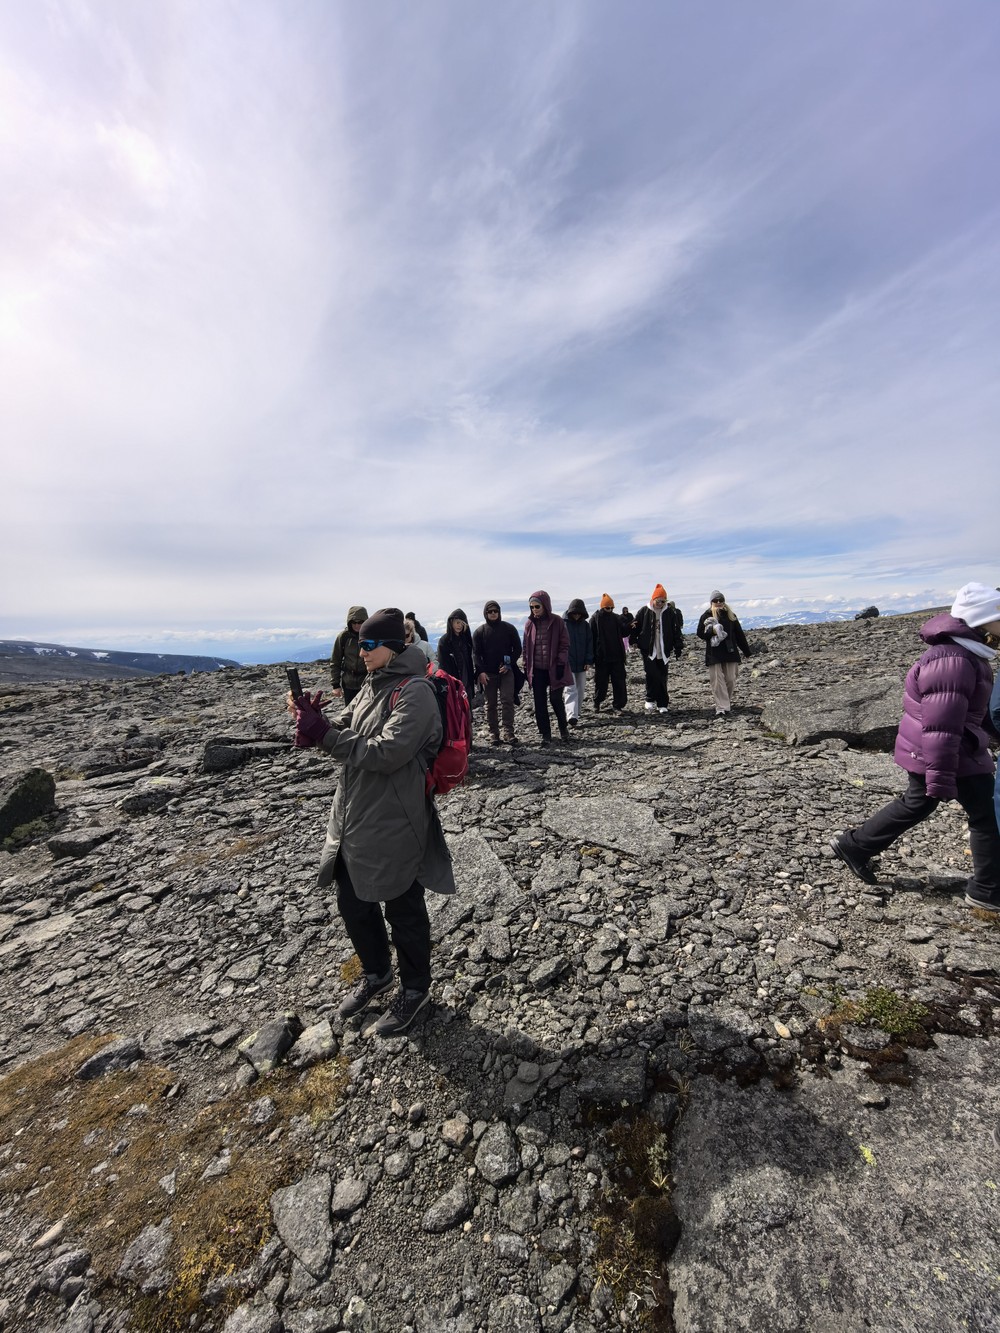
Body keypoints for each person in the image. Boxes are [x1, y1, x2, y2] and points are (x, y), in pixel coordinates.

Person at [291, 608, 456, 1035]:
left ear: (394, 647)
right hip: (355, 815)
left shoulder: (414, 692)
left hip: (396, 817)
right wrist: (316, 723)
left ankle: (415, 989)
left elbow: (384, 752)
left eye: (369, 645)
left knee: (403, 907)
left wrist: (326, 736)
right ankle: (378, 973)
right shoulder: (371, 685)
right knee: (353, 901)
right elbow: (351, 727)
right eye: (359, 644)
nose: (361, 652)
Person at [831, 582, 1000, 913]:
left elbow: (971, 714)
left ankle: (855, 845)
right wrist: (940, 775)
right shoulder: (954, 659)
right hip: (946, 752)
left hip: (951, 749)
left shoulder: (965, 653)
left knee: (919, 804)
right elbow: (940, 727)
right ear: (984, 619)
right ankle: (986, 890)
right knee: (984, 814)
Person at [523, 590, 572, 744]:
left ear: (545, 605)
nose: (534, 610)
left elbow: (565, 644)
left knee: (556, 700)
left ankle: (563, 729)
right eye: (532, 607)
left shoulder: (557, 621)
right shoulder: (529, 624)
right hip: (537, 670)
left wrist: (560, 663)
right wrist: (526, 668)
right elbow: (526, 647)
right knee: (539, 703)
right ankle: (545, 734)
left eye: (537, 606)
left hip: (555, 667)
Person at [473, 600, 522, 745]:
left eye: (496, 611)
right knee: (491, 704)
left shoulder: (509, 629)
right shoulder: (479, 632)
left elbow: (517, 649)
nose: (493, 614)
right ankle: (494, 733)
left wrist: (509, 664)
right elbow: (476, 654)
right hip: (488, 674)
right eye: (490, 611)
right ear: (485, 613)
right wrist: (480, 672)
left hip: (507, 671)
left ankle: (508, 732)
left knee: (507, 700)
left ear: (499, 612)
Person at [696, 591, 752, 718]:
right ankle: (722, 707)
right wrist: (712, 631)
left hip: (730, 651)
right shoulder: (706, 616)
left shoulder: (731, 616)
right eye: (716, 600)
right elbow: (700, 633)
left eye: (721, 600)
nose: (719, 602)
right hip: (714, 652)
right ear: (711, 602)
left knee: (731, 679)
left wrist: (746, 651)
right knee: (717, 680)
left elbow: (739, 635)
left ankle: (725, 701)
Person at [631, 584, 684, 715]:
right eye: (658, 600)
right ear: (653, 599)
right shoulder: (644, 611)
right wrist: (634, 640)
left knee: (662, 675)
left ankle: (662, 703)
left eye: (663, 601)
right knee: (651, 674)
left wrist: (678, 646)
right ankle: (650, 699)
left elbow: (675, 629)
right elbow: (635, 627)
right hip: (648, 650)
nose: (660, 603)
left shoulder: (669, 612)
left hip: (664, 650)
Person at [589, 594, 629, 713]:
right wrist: (591, 657)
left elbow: (624, 632)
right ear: (602, 607)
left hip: (617, 656)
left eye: (612, 608)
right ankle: (597, 702)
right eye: (608, 608)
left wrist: (630, 627)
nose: (610, 610)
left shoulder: (617, 618)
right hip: (602, 657)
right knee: (601, 683)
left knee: (619, 682)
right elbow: (591, 639)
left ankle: (618, 705)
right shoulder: (594, 619)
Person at [562, 598, 594, 726]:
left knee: (580, 689)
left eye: (579, 613)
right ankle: (572, 715)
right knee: (570, 688)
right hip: (567, 662)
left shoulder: (585, 625)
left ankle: (577, 711)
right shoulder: (563, 624)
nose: (576, 615)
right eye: (574, 613)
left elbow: (589, 643)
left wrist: (588, 660)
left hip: (582, 662)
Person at [330, 605, 368, 705]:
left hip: (367, 683)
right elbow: (335, 661)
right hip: (348, 683)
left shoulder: (371, 636)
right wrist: (335, 685)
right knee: (350, 713)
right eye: (354, 622)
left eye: (360, 622)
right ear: (349, 622)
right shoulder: (343, 637)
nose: (357, 625)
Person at [437, 610, 477, 704]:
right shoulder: (445, 641)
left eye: (462, 623)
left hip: (467, 680)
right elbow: (443, 665)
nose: (459, 625)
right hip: (453, 682)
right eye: (457, 622)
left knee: (467, 708)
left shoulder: (466, 640)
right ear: (451, 622)